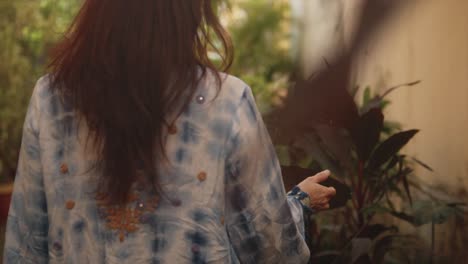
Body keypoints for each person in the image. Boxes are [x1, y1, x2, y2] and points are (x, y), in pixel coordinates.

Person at [3, 0, 336, 263]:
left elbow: (25, 247)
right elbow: (272, 249)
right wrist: (300, 201)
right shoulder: (227, 102)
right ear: (191, 11)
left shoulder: (51, 99)